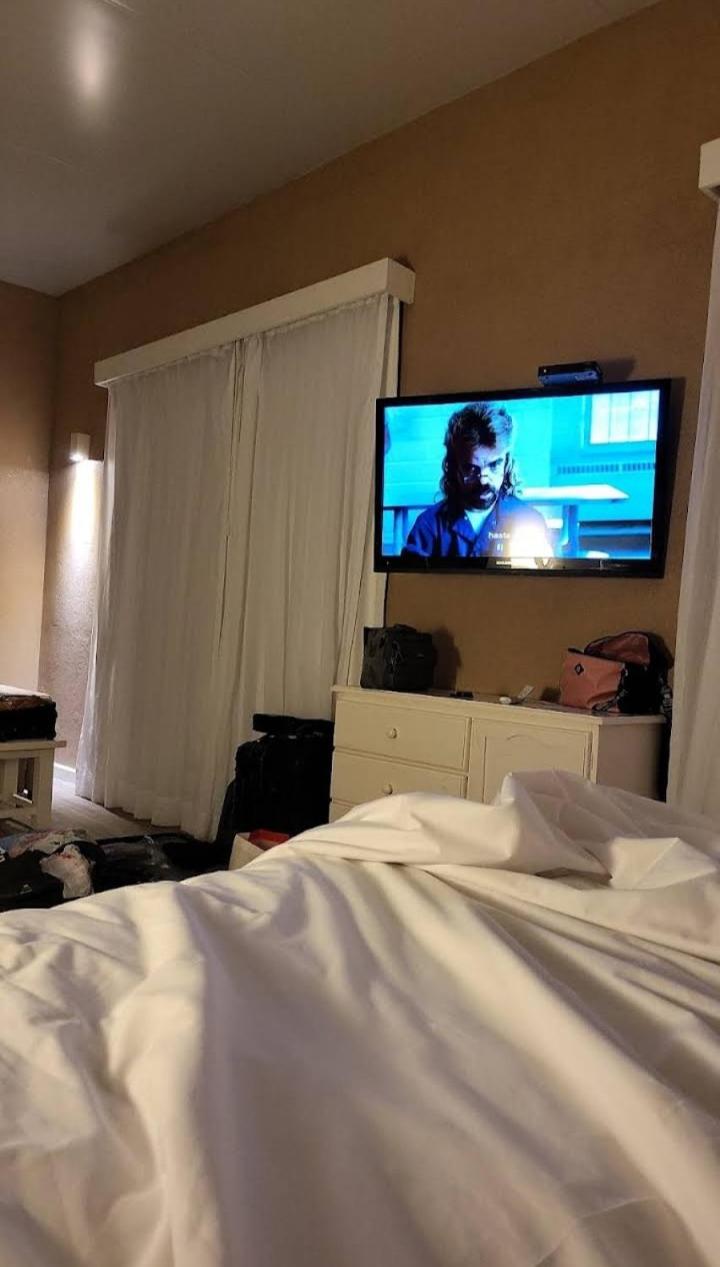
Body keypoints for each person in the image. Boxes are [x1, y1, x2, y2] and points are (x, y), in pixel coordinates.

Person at [401, 402, 552, 560]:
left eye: (494, 465)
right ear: (454, 466)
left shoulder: (529, 520)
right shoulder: (429, 526)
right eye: (471, 469)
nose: (484, 480)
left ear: (507, 462)